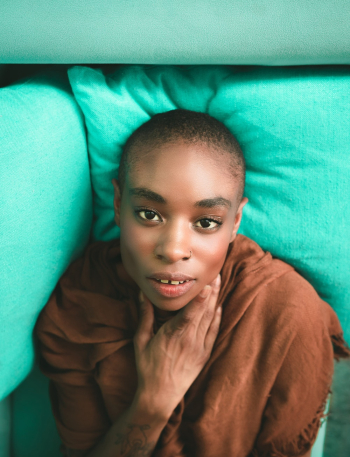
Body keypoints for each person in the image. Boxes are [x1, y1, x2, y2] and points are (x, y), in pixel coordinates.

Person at [35, 109, 349, 457]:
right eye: (149, 214)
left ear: (235, 222)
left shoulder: (286, 312)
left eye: (207, 222)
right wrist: (155, 399)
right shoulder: (82, 304)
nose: (173, 250)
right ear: (119, 201)